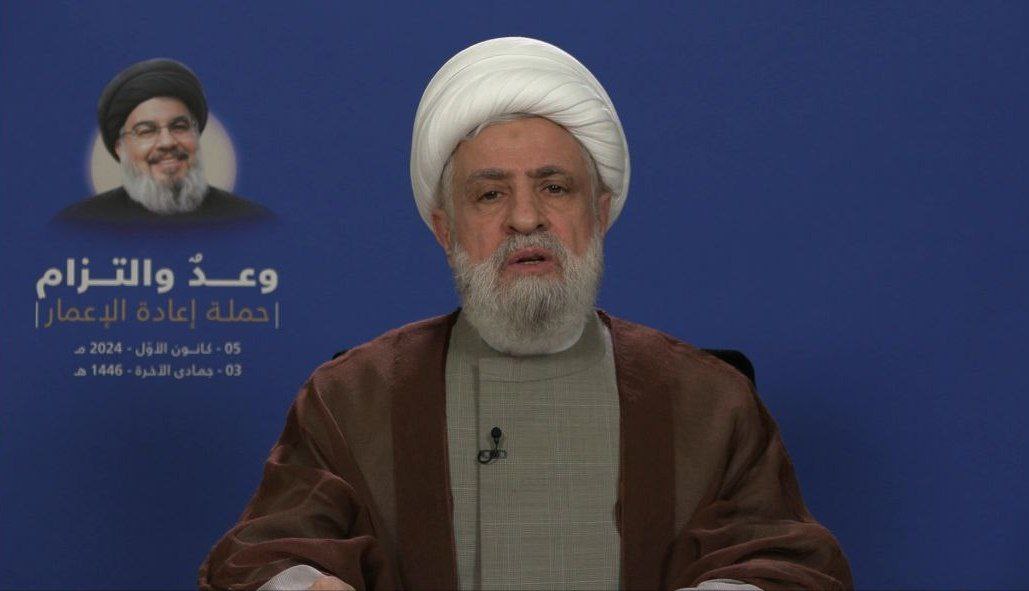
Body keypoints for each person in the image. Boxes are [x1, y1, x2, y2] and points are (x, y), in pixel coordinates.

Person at [200, 38, 852, 591]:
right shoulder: (351, 400)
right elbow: (264, 556)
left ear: (599, 212)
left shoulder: (708, 401)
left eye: (554, 187)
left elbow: (785, 562)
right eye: (489, 194)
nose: (524, 218)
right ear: (444, 228)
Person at [55, 58, 271, 225]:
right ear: (120, 147)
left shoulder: (250, 221)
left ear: (196, 134)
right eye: (146, 131)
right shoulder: (81, 224)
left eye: (179, 127)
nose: (167, 142)